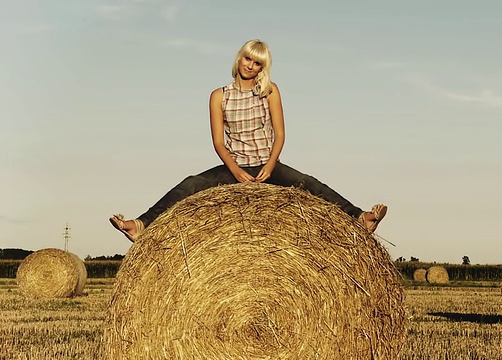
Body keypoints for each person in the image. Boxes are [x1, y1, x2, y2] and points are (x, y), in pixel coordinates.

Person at [109, 39, 387, 242]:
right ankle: (141, 224)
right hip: (235, 166)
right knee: (191, 183)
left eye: (257, 63)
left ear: (262, 68)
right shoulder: (219, 96)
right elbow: (218, 142)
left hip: (268, 163)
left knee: (311, 183)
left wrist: (271, 164)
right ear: (239, 58)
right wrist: (236, 171)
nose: (250, 66)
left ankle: (360, 218)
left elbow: (280, 133)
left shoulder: (269, 91)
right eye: (247, 59)